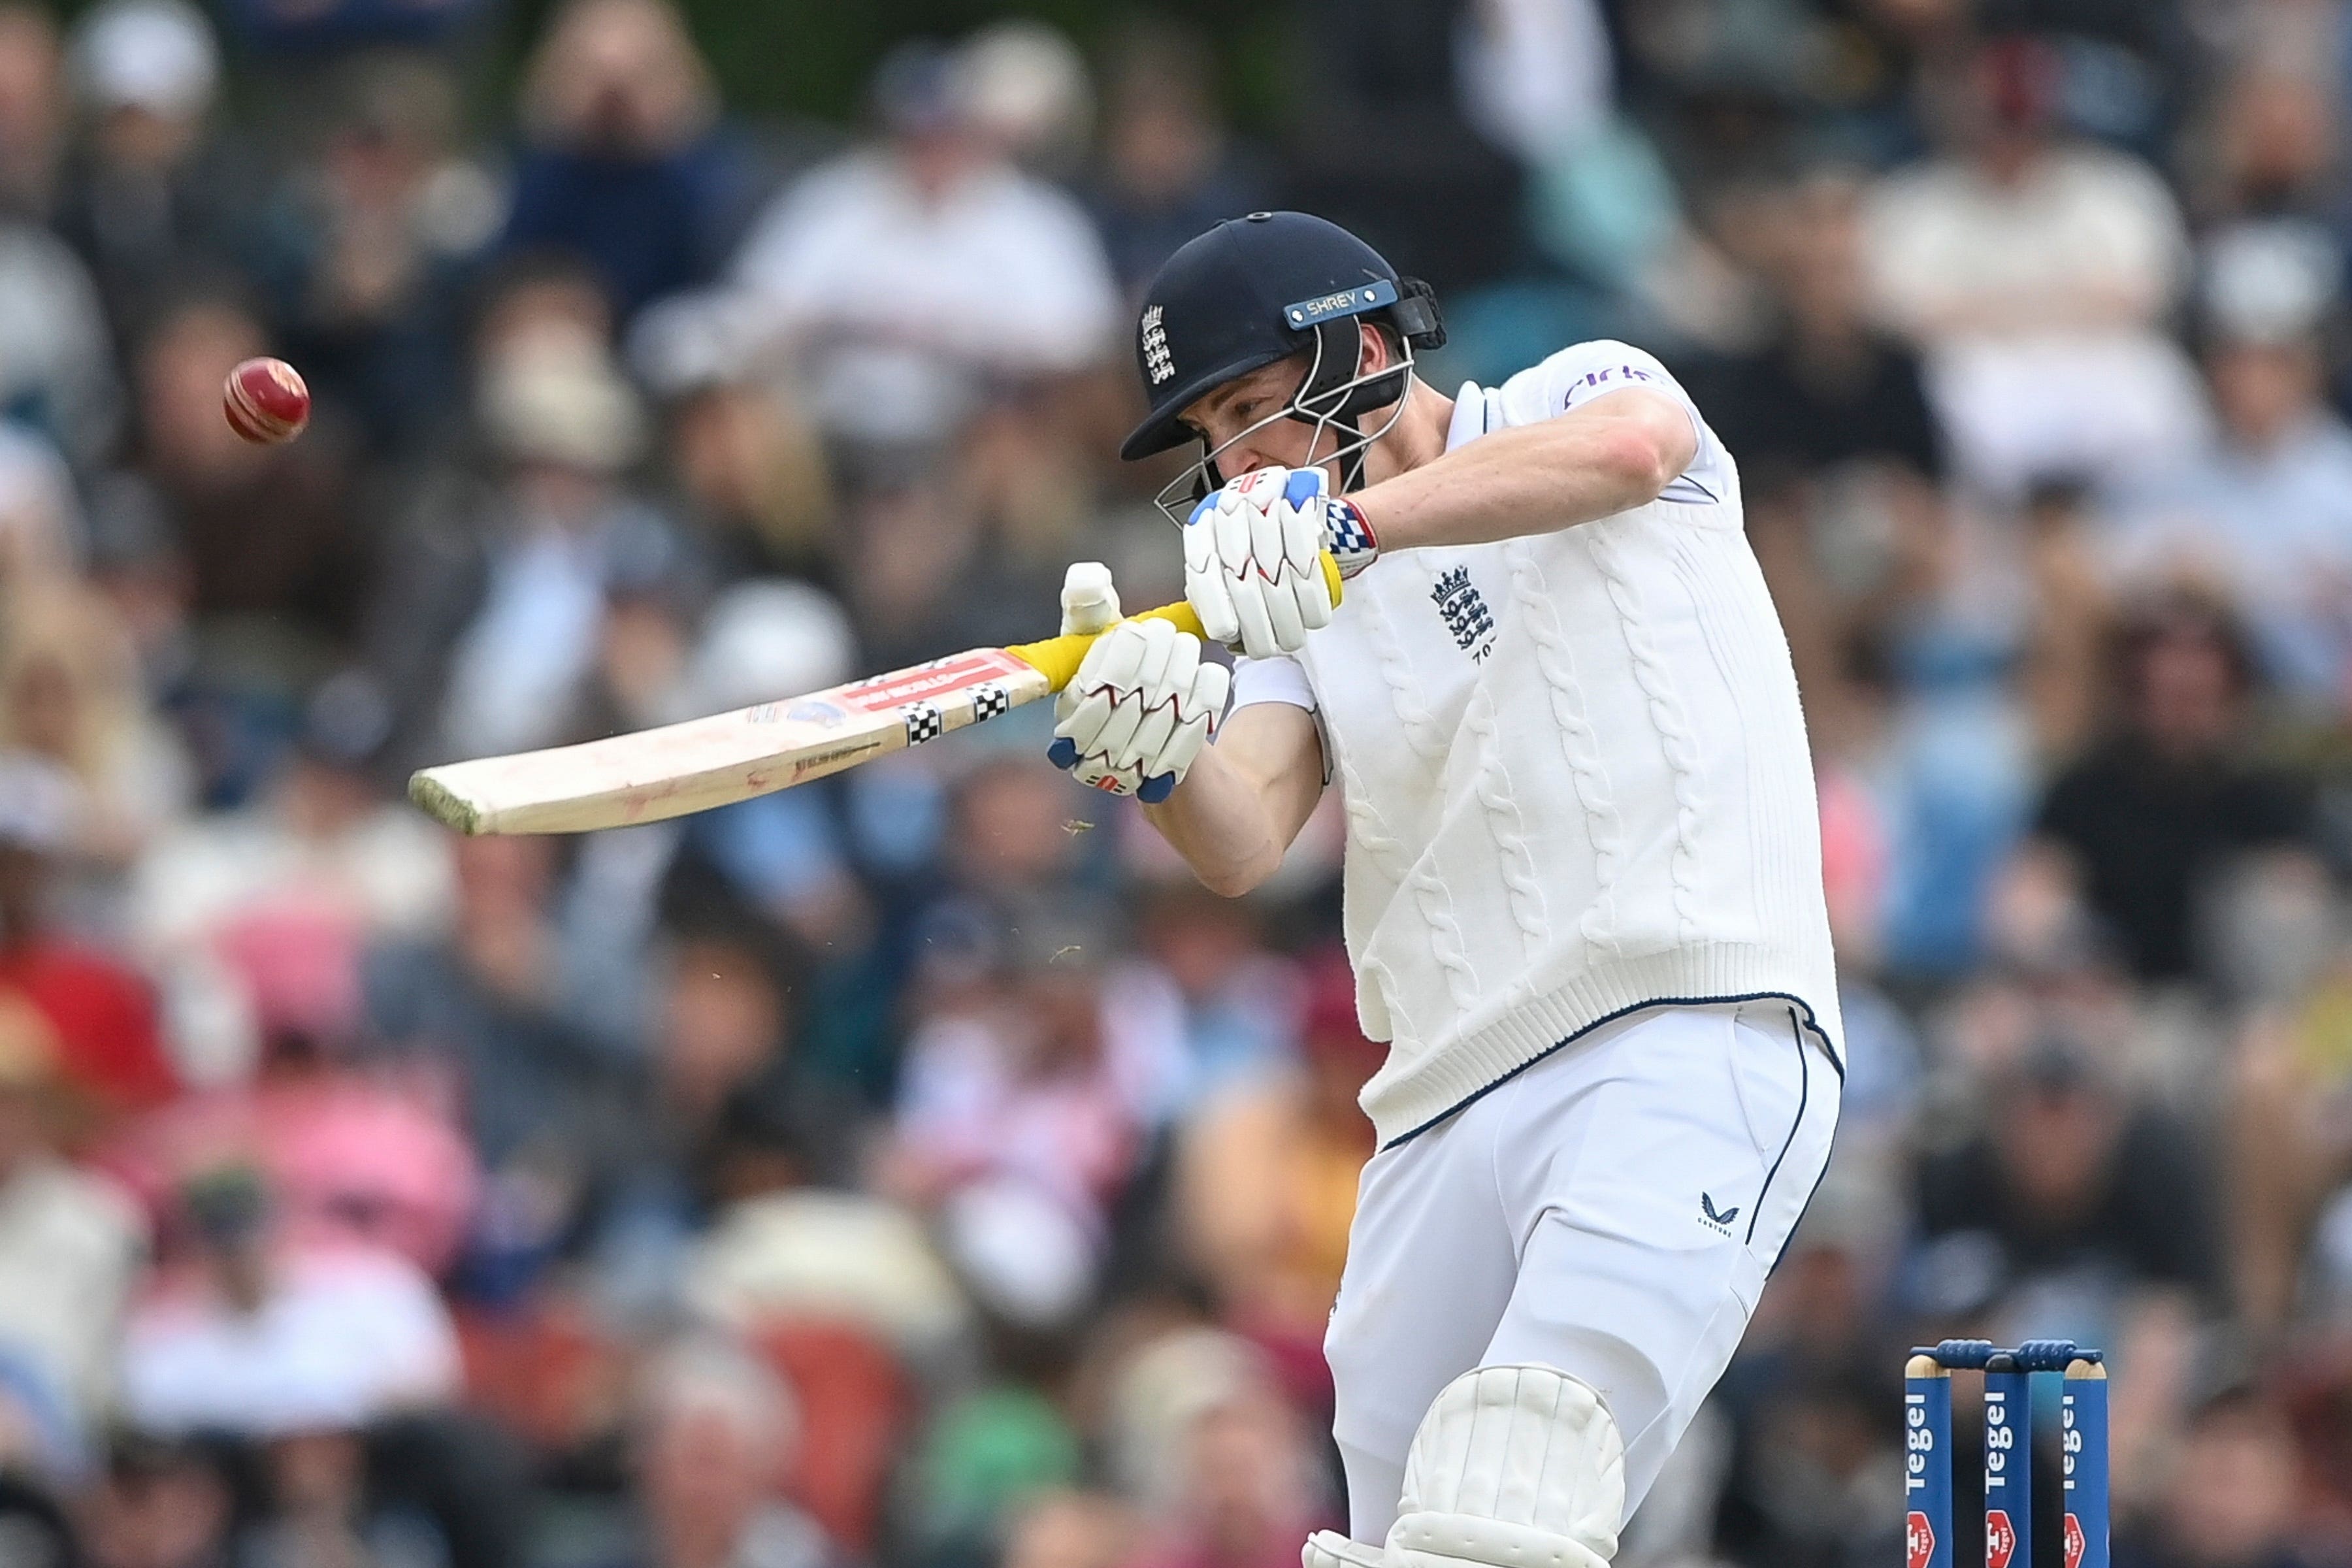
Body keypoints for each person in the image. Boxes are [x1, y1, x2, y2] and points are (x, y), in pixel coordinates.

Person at [1047, 211, 1842, 1563]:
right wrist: (1157, 757)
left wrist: (1349, 524)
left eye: (1252, 409)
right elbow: (1242, 843)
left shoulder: (1573, 391)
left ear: (1361, 349)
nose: (1237, 465)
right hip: (1435, 1114)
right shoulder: (1312, 610)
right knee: (1396, 1542)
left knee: (1505, 1500)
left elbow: (1631, 455)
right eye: (1211, 440)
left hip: (1681, 1034)